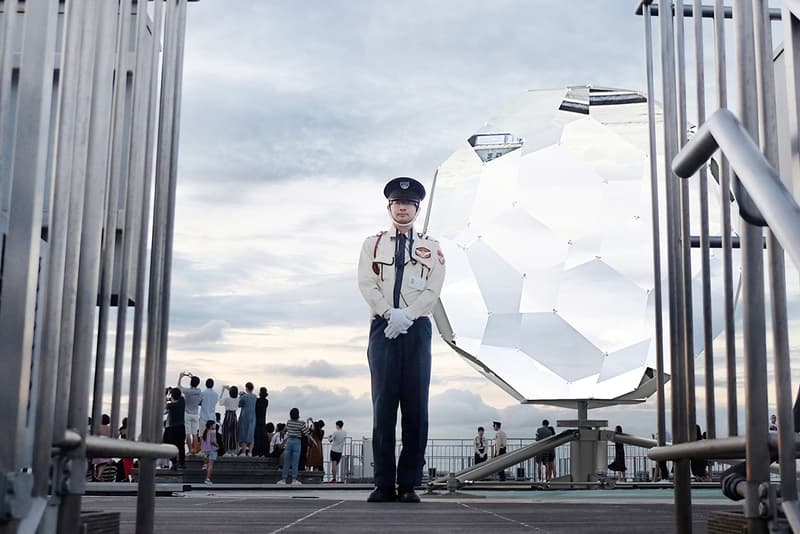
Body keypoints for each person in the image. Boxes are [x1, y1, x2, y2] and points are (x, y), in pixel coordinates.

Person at [358, 176, 446, 504]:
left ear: (417, 209)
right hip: (383, 329)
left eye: (409, 204)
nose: (403, 208)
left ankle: (408, 484)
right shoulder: (373, 244)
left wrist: (408, 314)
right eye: (397, 203)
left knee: (415, 407)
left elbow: (433, 289)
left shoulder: (431, 247)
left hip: (416, 328)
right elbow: (366, 283)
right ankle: (384, 484)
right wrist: (388, 313)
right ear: (389, 207)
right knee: (383, 406)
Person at [277, 408, 316, 485]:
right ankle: (294, 480)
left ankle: (283, 479)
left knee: (286, 461)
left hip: (289, 441)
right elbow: (306, 433)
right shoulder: (301, 423)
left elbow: (286, 430)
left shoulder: (288, 422)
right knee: (295, 461)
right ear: (298, 415)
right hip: (297, 442)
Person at [177, 372, 202, 454]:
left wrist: (180, 377)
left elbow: (179, 387)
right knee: (194, 434)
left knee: (188, 433)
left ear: (191, 382)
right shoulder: (199, 391)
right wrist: (192, 377)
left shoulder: (187, 391)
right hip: (195, 414)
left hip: (187, 413)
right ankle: (194, 450)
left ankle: (190, 450)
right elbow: (195, 384)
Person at [163, 388, 186, 470]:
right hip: (182, 427)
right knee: (181, 445)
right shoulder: (182, 402)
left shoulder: (170, 406)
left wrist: (165, 395)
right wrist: (172, 390)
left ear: (172, 396)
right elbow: (180, 396)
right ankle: (182, 462)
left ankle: (174, 462)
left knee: (170, 445)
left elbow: (163, 411)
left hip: (172, 428)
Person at [237, 382, 257, 456]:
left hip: (244, 416)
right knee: (251, 435)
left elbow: (239, 405)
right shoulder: (255, 396)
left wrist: (240, 396)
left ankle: (243, 452)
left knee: (243, 434)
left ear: (246, 388)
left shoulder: (244, 396)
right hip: (253, 417)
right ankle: (250, 452)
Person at [92, 414, 113, 481]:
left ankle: (98, 476)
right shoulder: (110, 428)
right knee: (104, 462)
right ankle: (99, 476)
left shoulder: (97, 427)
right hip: (107, 447)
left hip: (98, 446)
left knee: (99, 463)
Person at [219, 385, 239, 454]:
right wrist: (229, 389)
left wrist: (223, 390)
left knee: (226, 432)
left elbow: (220, 402)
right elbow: (234, 395)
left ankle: (227, 450)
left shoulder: (227, 399)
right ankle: (233, 450)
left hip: (228, 416)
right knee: (234, 433)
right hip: (234, 416)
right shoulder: (238, 399)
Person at [253, 387, 270, 456]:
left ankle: (256, 451)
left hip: (256, 420)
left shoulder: (257, 401)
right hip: (263, 420)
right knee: (262, 436)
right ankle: (262, 451)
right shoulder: (266, 401)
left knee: (257, 436)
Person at [200, 420, 218, 485]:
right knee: (211, 465)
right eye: (214, 424)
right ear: (211, 426)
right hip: (212, 450)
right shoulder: (213, 432)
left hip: (205, 450)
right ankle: (207, 479)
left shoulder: (205, 432)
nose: (215, 426)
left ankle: (205, 464)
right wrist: (217, 445)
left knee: (207, 461)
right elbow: (212, 442)